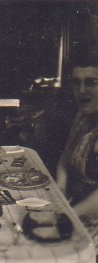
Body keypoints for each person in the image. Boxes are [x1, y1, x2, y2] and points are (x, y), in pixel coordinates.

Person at [56, 50, 98, 216]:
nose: (81, 91)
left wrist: (69, 216)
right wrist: (60, 189)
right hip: (77, 209)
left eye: (91, 83)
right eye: (76, 83)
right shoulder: (82, 116)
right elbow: (64, 161)